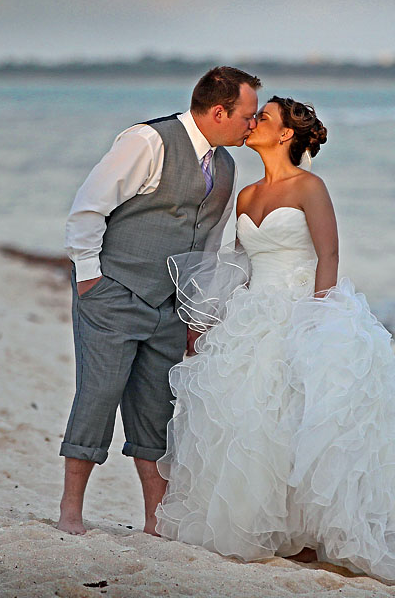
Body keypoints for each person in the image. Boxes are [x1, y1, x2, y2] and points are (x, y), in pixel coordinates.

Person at [155, 96, 395, 597]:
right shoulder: (248, 193)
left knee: (304, 419)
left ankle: (315, 533)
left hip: (303, 308)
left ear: (284, 136)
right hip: (254, 312)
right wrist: (207, 319)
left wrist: (318, 321)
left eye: (264, 118)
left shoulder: (310, 188)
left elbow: (329, 255)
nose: (253, 123)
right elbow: (235, 264)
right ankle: (273, 527)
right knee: (254, 420)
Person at [58, 66, 261, 535]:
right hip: (114, 292)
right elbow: (88, 209)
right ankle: (71, 512)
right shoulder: (146, 141)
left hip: (170, 307)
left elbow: (208, 245)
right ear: (218, 111)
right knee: (98, 395)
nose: (252, 125)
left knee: (158, 409)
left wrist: (196, 312)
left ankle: (156, 521)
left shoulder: (226, 165)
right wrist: (91, 280)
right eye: (248, 116)